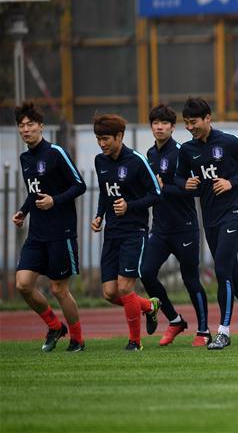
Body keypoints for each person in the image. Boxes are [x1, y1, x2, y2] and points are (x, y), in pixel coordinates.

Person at [175, 98, 238, 350]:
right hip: (210, 220)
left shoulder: (228, 142)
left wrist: (232, 182)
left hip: (234, 215)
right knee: (233, 275)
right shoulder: (187, 150)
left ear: (208, 118)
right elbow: (177, 178)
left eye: (193, 121)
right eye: (185, 123)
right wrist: (185, 184)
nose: (190, 127)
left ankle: (224, 332)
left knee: (221, 270)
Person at [12, 102, 87, 352]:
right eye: (21, 126)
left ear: (41, 126)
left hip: (60, 231)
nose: (25, 129)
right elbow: (34, 192)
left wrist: (55, 200)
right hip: (37, 233)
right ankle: (55, 326)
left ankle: (77, 338)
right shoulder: (25, 158)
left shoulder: (55, 153)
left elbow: (79, 185)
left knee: (58, 288)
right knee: (23, 284)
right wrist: (24, 210)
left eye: (30, 124)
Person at [91, 114, 161, 351]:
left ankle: (135, 342)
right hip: (112, 232)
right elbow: (104, 192)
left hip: (134, 231)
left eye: (106, 139)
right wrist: (99, 215)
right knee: (110, 293)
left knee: (124, 287)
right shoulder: (100, 161)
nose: (102, 144)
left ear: (119, 136)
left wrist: (129, 206)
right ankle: (149, 307)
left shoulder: (137, 161)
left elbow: (156, 194)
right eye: (98, 139)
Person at [143, 104, 210, 346]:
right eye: (155, 123)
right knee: (146, 273)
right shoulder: (150, 155)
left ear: (173, 127)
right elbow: (152, 191)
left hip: (185, 227)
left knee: (190, 279)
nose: (159, 127)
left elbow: (195, 188)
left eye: (164, 123)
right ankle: (174, 319)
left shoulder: (183, 152)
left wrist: (165, 188)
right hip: (160, 229)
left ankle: (204, 331)